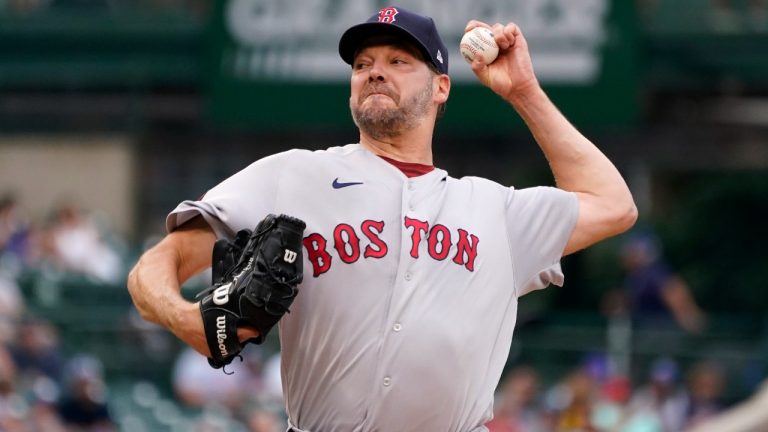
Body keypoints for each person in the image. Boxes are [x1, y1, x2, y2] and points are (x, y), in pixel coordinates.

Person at [127, 6, 637, 431]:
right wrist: (183, 317)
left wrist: (523, 91)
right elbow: (157, 263)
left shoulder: (494, 210)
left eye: (398, 60)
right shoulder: (293, 175)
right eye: (363, 62)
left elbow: (614, 205)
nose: (375, 70)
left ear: (441, 87)